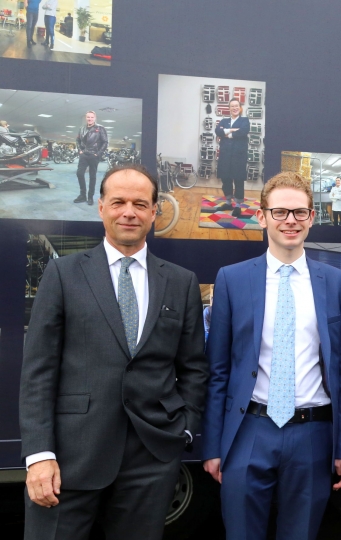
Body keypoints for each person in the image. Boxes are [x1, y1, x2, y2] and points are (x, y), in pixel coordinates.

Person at [19, 164, 208, 540]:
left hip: (152, 457)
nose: (129, 212)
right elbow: (39, 370)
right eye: (118, 201)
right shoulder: (63, 274)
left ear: (155, 212)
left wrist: (184, 430)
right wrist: (40, 455)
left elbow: (194, 368)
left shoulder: (180, 281)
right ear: (101, 207)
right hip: (71, 455)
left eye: (140, 203)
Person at [202, 171, 341, 540]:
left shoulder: (335, 283)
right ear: (262, 217)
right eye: (280, 212)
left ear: (311, 218)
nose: (290, 220)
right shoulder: (232, 279)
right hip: (248, 432)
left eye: (300, 212)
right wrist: (212, 445)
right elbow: (218, 370)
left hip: (314, 434)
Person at [214, 99, 250, 218]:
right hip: (225, 155)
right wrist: (232, 130)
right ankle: (229, 202)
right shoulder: (224, 120)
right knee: (226, 178)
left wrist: (227, 133)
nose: (234, 108)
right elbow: (217, 131)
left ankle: (238, 206)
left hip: (238, 156)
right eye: (232, 106)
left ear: (240, 108)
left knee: (238, 179)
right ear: (229, 108)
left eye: (236, 106)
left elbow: (244, 132)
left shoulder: (244, 120)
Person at [75, 111, 109, 206]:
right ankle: (82, 195)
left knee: (92, 176)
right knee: (79, 173)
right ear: (86, 118)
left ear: (95, 118)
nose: (90, 119)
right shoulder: (82, 128)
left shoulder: (100, 128)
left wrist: (98, 153)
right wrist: (80, 150)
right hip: (84, 155)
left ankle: (90, 197)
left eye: (92, 117)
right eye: (88, 117)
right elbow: (77, 140)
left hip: (94, 155)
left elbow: (105, 142)